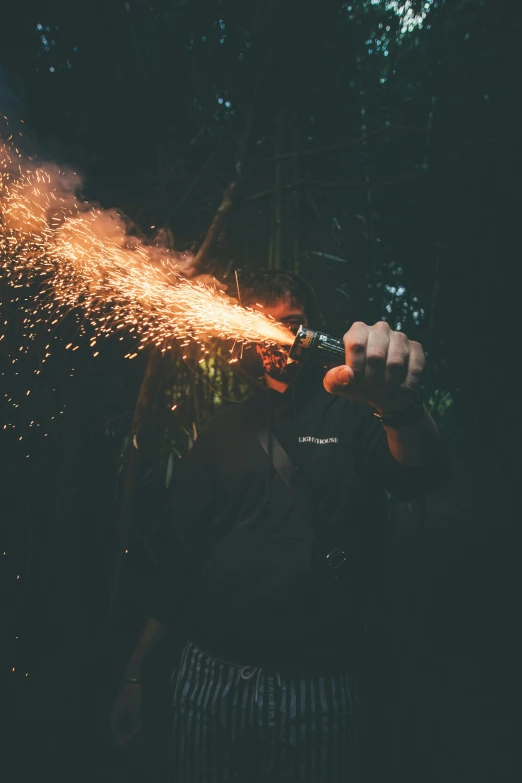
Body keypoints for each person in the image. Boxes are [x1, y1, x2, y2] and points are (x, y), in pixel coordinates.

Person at [110, 270, 447, 782]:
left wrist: (397, 407)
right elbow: (177, 558)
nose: (281, 339)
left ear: (311, 330)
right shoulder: (223, 428)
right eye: (266, 326)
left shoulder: (353, 412)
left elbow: (417, 475)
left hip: (317, 685)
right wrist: (135, 673)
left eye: (293, 324)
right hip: (208, 681)